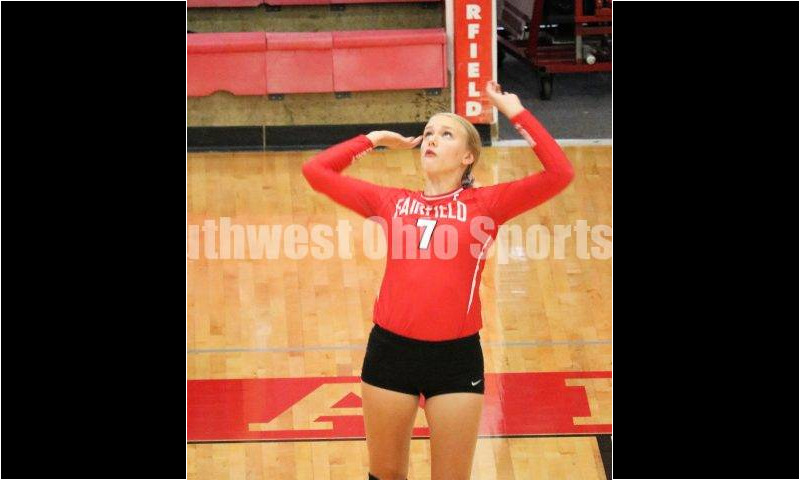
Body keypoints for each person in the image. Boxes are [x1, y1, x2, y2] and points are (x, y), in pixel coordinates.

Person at [301, 80, 574, 480]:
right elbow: (315, 171)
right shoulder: (392, 202)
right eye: (428, 132)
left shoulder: (487, 205)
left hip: (456, 360)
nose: (431, 139)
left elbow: (560, 173)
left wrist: (516, 112)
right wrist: (374, 139)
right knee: (385, 475)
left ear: (468, 156)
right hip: (391, 353)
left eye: (446, 134)